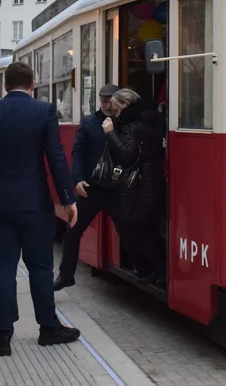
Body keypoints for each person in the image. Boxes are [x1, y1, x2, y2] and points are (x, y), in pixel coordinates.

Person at [0, 61, 80, 357]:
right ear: (33, 84)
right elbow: (55, 157)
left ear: (4, 85)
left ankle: (2, 335)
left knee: (3, 266)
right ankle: (48, 328)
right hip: (33, 202)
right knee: (40, 266)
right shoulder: (43, 111)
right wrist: (67, 198)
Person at [54, 83, 119, 291]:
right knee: (72, 230)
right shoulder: (89, 123)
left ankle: (143, 268)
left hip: (116, 188)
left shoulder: (124, 122)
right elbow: (78, 152)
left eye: (110, 100)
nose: (107, 104)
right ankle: (66, 275)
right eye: (103, 100)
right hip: (92, 187)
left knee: (128, 228)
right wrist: (78, 179)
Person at [103, 88, 166, 286]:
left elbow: (126, 155)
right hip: (154, 179)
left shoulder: (132, 126)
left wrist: (110, 133)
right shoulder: (153, 120)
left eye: (116, 106)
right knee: (150, 229)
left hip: (139, 184)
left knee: (135, 228)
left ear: (125, 105)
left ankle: (158, 270)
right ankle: (157, 271)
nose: (115, 111)